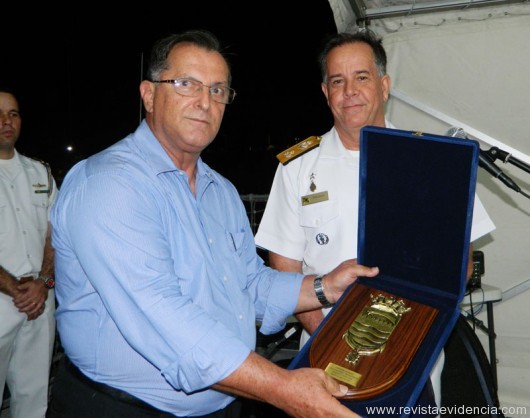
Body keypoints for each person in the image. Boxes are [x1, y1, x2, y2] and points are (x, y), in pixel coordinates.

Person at [47, 29, 380, 418]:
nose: (205, 102)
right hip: (120, 407)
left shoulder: (219, 191)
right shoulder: (109, 185)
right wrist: (283, 388)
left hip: (223, 402)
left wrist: (325, 287)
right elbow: (164, 319)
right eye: (187, 84)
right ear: (149, 94)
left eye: (218, 90)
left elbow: (250, 285)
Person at [254, 29, 495, 411]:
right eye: (338, 80)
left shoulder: (435, 162)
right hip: (325, 357)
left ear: (384, 86)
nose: (349, 90)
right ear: (325, 92)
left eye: (361, 77)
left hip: (414, 355)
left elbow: (457, 266)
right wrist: (333, 342)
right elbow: (284, 270)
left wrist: (404, 344)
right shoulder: (297, 169)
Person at [0, 86, 57, 418]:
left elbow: (55, 235)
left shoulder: (41, 173)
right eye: (0, 115)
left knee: (34, 402)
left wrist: (43, 284)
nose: (7, 122)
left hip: (39, 302)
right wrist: (14, 288)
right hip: (4, 301)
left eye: (13, 113)